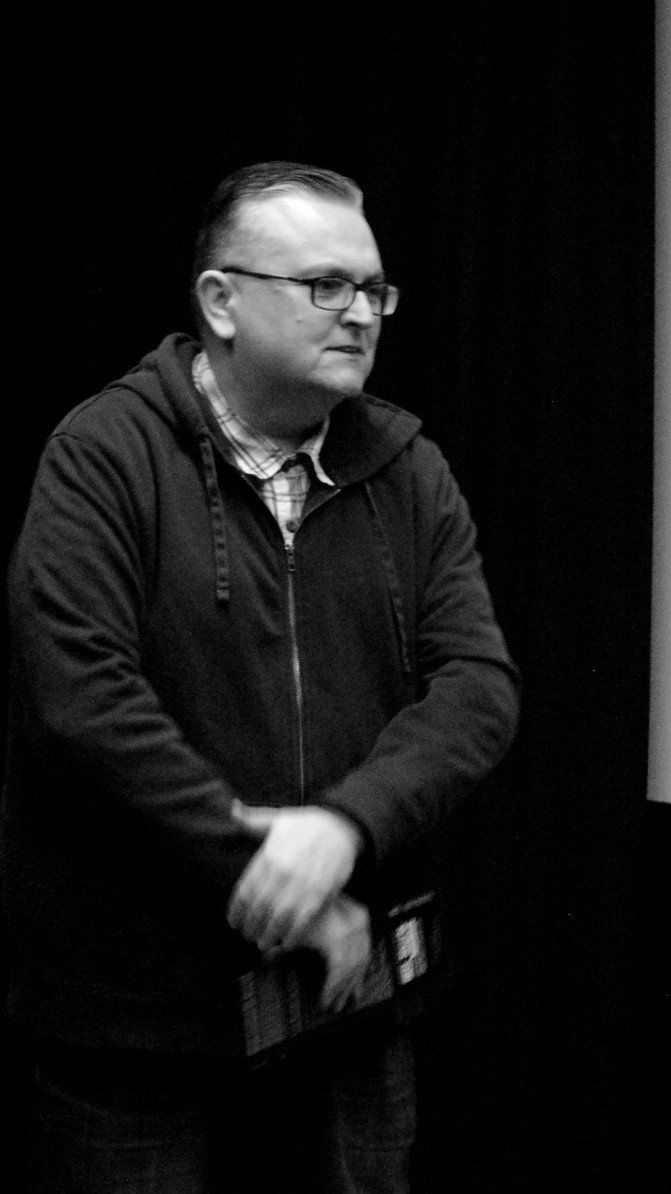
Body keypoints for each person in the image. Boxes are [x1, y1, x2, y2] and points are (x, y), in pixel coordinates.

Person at [4, 161, 519, 1190]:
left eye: (374, 289)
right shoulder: (105, 453)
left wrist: (344, 829)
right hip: (139, 1029)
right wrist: (255, 869)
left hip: (346, 1001)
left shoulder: (408, 468)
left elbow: (477, 687)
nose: (362, 313)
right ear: (220, 302)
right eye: (326, 285)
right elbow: (83, 704)